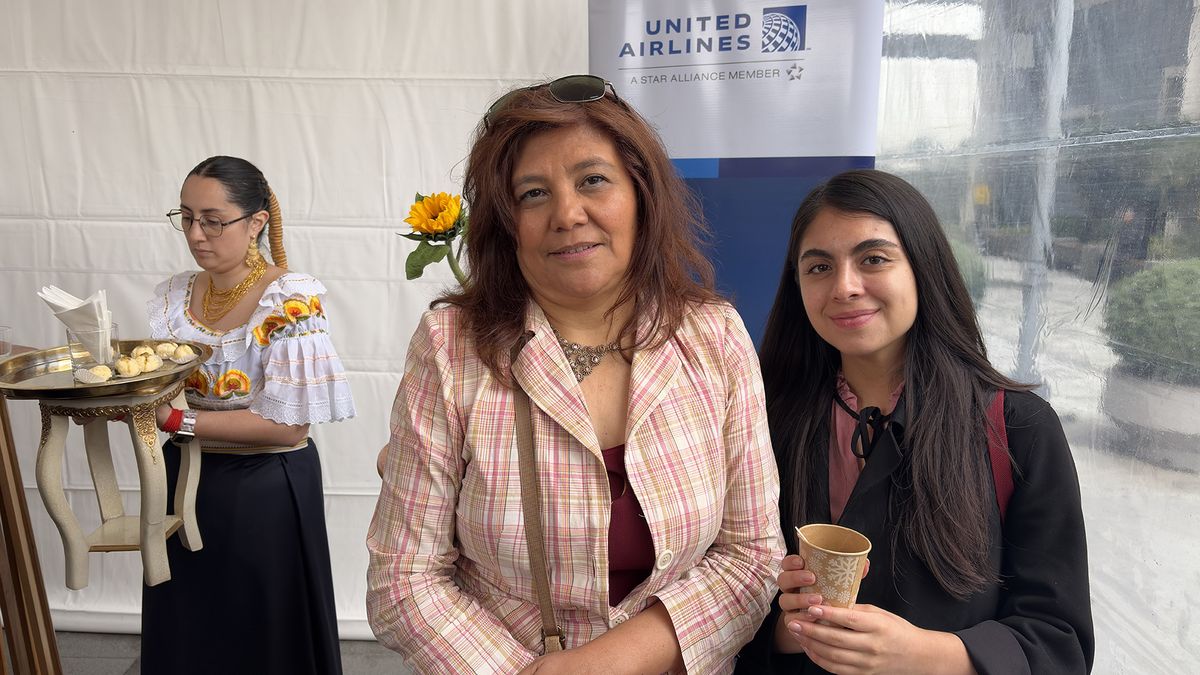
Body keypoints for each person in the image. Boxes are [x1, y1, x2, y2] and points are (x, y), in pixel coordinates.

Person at [366, 75, 784, 674]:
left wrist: (607, 663)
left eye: (592, 180)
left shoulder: (713, 337)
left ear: (641, 195)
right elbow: (404, 580)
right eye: (533, 193)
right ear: (506, 222)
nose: (567, 214)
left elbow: (751, 556)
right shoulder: (451, 348)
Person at [736, 169, 1094, 674]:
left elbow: (1060, 641)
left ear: (923, 267)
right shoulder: (764, 420)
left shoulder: (1016, 428)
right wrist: (787, 631)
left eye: (873, 259)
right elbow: (729, 603)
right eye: (818, 267)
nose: (844, 287)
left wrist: (925, 655)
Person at [141, 155, 356, 674]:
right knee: (191, 629)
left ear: (256, 222)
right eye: (186, 217)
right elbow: (158, 386)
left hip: (264, 487)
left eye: (213, 221)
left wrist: (176, 421)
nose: (196, 234)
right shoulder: (175, 295)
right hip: (183, 478)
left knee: (258, 633)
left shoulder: (289, 298)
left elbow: (287, 425)